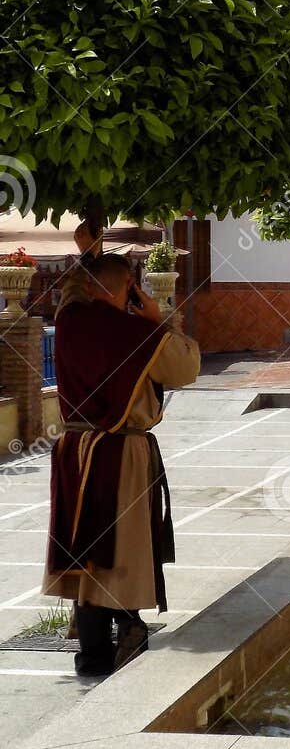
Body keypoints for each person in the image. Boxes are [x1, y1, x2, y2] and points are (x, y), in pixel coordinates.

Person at [43, 254, 200, 679]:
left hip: (73, 449)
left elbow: (75, 290)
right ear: (126, 285)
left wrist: (90, 253)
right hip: (118, 450)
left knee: (85, 548)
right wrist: (159, 318)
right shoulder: (133, 332)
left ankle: (92, 654)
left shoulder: (70, 319)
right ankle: (129, 626)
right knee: (121, 549)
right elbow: (186, 366)